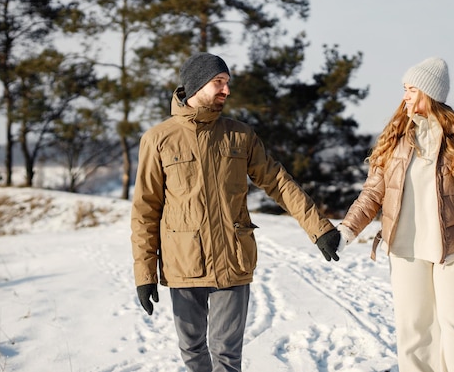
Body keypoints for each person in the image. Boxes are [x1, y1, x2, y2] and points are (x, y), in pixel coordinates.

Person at [130, 52, 341, 372]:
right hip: (184, 260)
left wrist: (319, 228)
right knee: (192, 348)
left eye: (227, 83)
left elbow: (278, 182)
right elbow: (146, 210)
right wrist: (144, 275)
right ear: (197, 85)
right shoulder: (159, 139)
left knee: (226, 354)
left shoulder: (239, 135)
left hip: (233, 256)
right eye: (219, 83)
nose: (226, 90)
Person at [336, 57, 454, 372]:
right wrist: (346, 231)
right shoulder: (396, 137)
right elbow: (373, 192)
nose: (404, 96)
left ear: (429, 92)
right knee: (414, 329)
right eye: (404, 89)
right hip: (406, 249)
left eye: (410, 89)